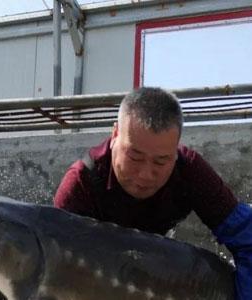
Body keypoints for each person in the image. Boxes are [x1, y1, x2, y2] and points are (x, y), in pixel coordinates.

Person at [54, 87, 252, 299]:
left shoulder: (190, 170)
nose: (146, 175)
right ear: (115, 135)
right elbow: (60, 265)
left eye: (161, 161)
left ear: (176, 151)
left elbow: (247, 236)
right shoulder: (81, 183)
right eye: (135, 157)